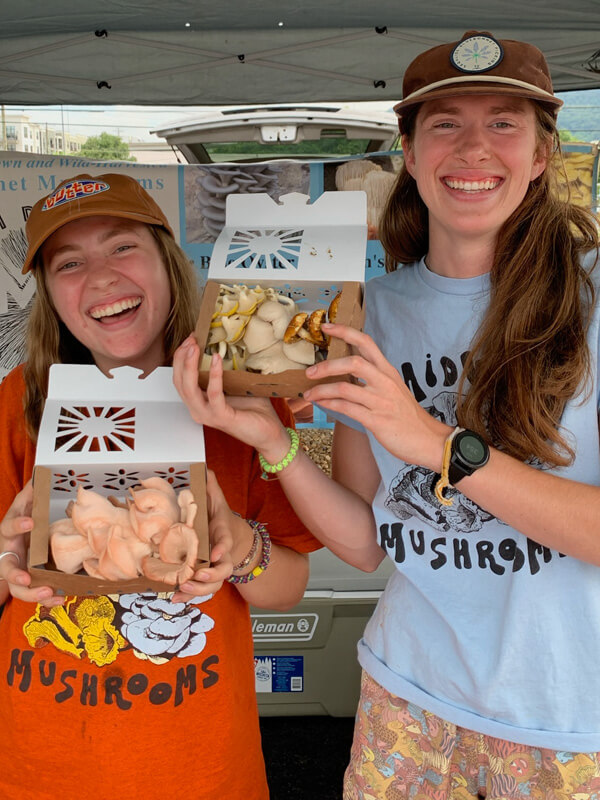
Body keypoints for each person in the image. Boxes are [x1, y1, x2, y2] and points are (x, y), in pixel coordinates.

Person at [173, 31, 600, 800]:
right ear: (409, 151)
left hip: (569, 726)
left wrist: (436, 444)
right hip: (407, 702)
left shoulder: (592, 300)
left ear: (541, 154)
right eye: (445, 124)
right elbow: (372, 541)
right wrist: (274, 442)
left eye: (504, 122)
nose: (474, 148)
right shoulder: (371, 312)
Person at [0, 172, 320, 800]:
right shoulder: (22, 403)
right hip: (45, 764)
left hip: (201, 768)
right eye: (69, 262)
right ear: (50, 295)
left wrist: (240, 550)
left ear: (168, 263)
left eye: (122, 246)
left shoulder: (242, 408)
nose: (100, 277)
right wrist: (5, 558)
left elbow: (289, 585)